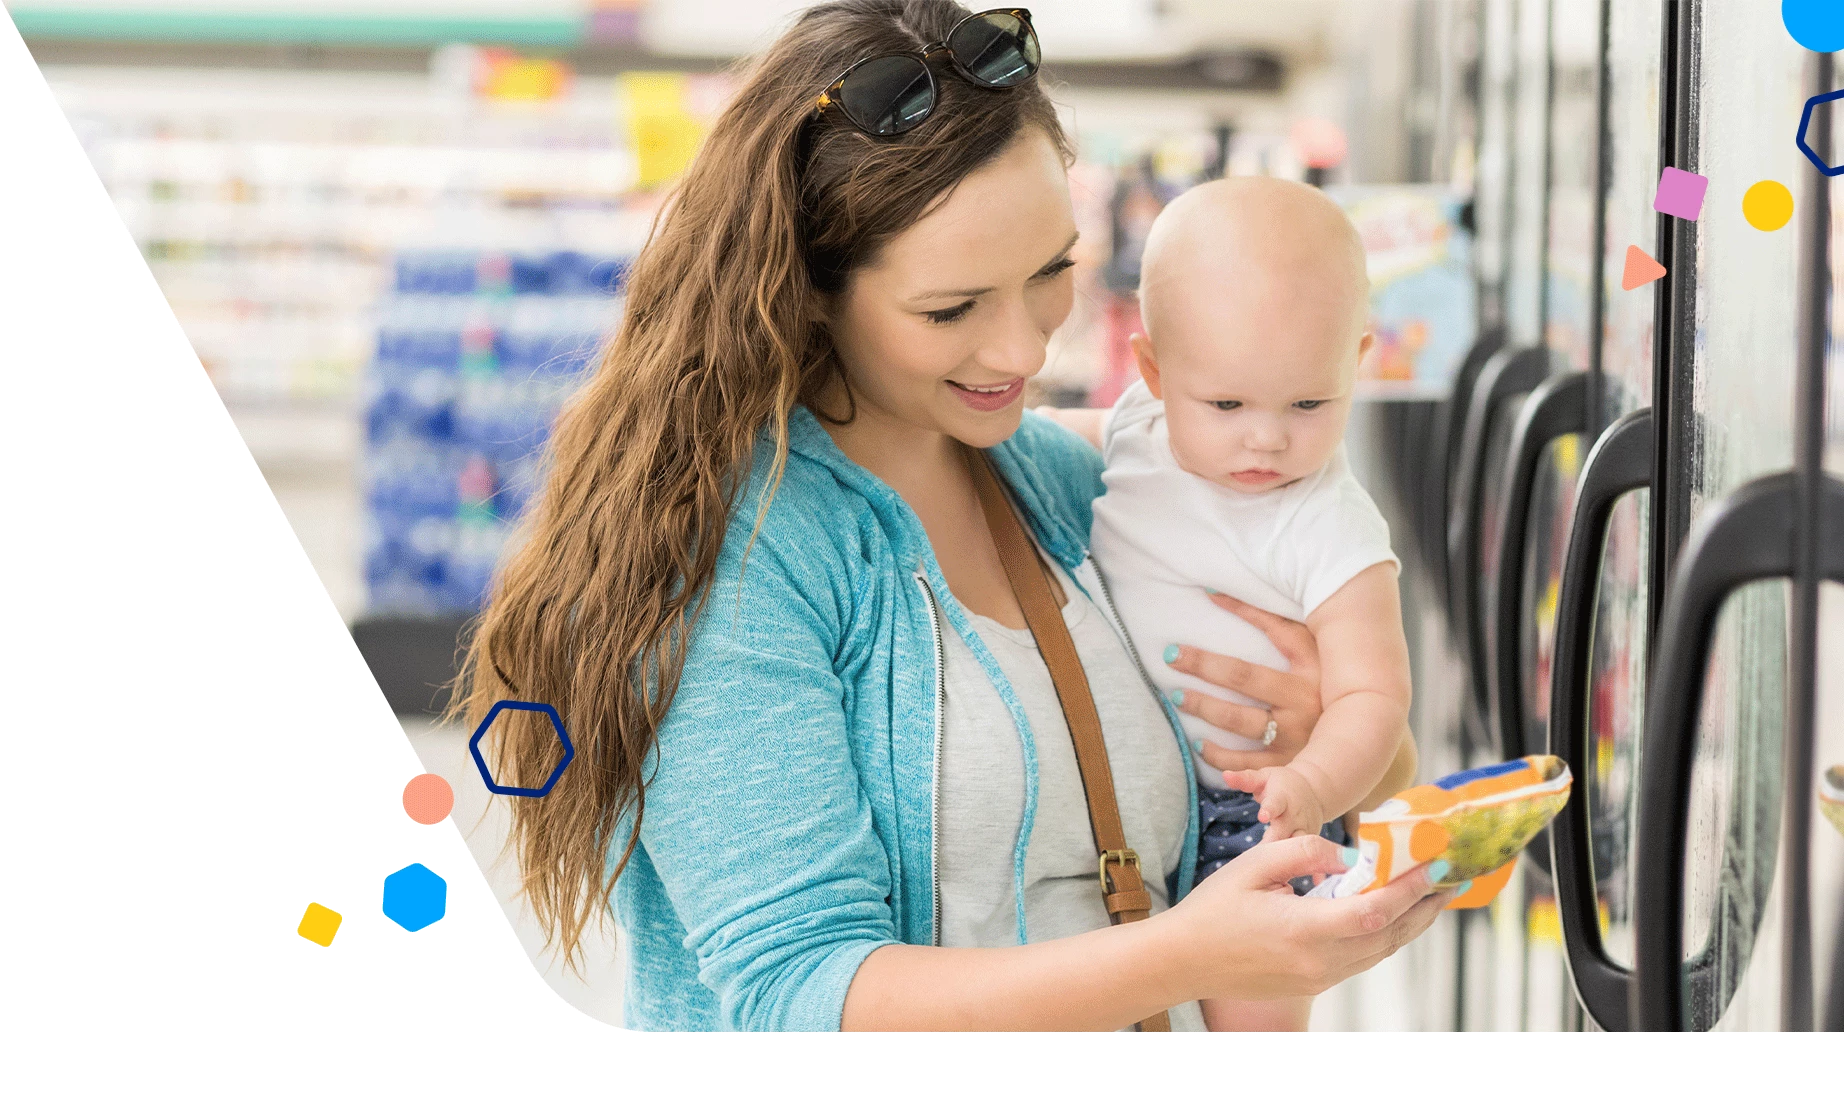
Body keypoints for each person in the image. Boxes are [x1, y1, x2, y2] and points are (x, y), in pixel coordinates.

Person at [456, 0, 1445, 1032]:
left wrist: (1332, 746)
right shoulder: (734, 558)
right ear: (805, 291)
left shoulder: (1068, 486)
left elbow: (1330, 781)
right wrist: (1183, 954)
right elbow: (797, 987)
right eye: (951, 308)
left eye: (1049, 271)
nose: (1022, 350)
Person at [1042, 177, 1418, 1032]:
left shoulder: (1327, 521)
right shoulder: (1138, 424)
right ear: (1151, 371)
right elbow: (1053, 445)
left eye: (1309, 403)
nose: (1267, 438)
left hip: (1253, 812)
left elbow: (1375, 695)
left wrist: (1311, 784)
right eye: (1226, 404)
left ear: (1355, 363)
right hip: (1124, 809)